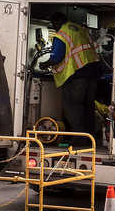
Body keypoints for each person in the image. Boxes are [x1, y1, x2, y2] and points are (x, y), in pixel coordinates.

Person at [40, 11, 102, 145]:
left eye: (53, 24)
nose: (54, 27)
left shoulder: (62, 34)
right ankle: (89, 138)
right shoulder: (79, 29)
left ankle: (79, 138)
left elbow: (56, 57)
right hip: (92, 75)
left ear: (57, 23)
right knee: (88, 107)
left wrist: (44, 64)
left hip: (76, 76)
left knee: (72, 106)